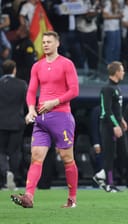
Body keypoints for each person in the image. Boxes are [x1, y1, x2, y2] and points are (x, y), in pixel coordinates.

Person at [10, 31, 79, 208]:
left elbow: (74, 91)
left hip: (61, 117)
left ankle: (72, 200)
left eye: (49, 42)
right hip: (41, 119)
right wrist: (31, 110)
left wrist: (54, 102)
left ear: (57, 43)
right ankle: (28, 197)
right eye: (44, 42)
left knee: (67, 158)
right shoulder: (37, 66)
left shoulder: (66, 64)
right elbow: (31, 91)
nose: (45, 44)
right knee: (36, 157)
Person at [92, 61, 127, 192]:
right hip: (108, 126)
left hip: (116, 124)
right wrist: (115, 125)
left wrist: (122, 119)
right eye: (122, 70)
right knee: (109, 155)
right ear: (116, 72)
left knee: (121, 154)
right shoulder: (107, 88)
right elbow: (106, 110)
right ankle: (109, 184)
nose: (123, 73)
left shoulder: (117, 88)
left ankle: (100, 175)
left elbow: (116, 108)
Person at [0, 60, 27, 190]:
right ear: (14, 70)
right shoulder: (22, 85)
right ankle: (12, 175)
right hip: (17, 123)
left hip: (1, 124)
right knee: (15, 152)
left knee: (1, 152)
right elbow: (28, 102)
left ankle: (4, 174)